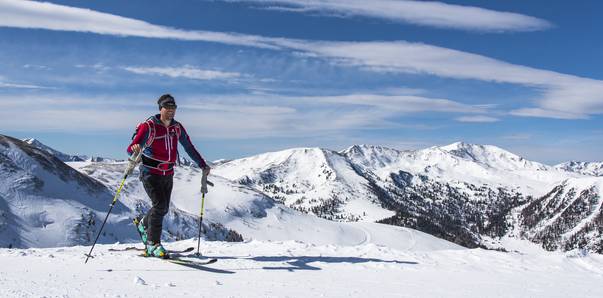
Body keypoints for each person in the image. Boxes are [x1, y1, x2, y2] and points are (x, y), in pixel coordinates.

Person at [127, 94, 210, 258]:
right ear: (161, 108)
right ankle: (153, 244)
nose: (171, 111)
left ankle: (144, 224)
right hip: (150, 172)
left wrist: (202, 164)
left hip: (168, 173)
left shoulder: (177, 127)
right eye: (168, 108)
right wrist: (135, 149)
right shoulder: (149, 126)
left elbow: (188, 147)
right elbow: (131, 148)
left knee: (162, 207)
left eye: (174, 108)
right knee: (160, 206)